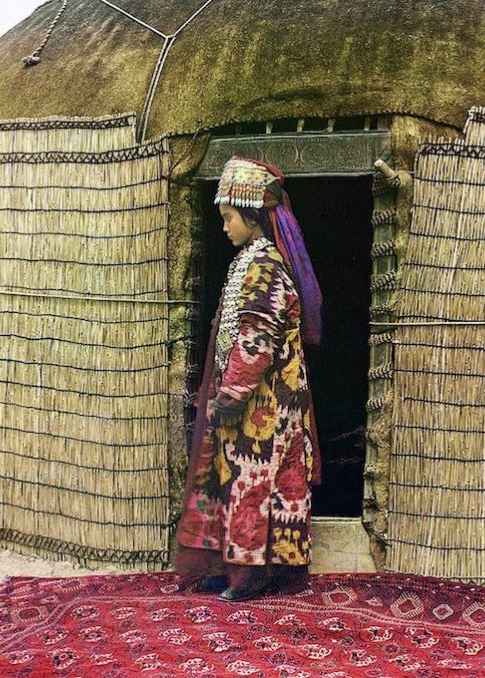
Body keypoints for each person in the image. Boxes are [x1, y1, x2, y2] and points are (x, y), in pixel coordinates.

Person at [174, 156, 323, 601]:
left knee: (255, 483)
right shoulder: (248, 261)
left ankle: (251, 577)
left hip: (267, 405)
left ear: (252, 215)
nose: (224, 227)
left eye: (229, 218)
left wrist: (231, 393)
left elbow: (257, 338)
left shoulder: (266, 267)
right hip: (249, 402)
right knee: (234, 480)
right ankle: (230, 567)